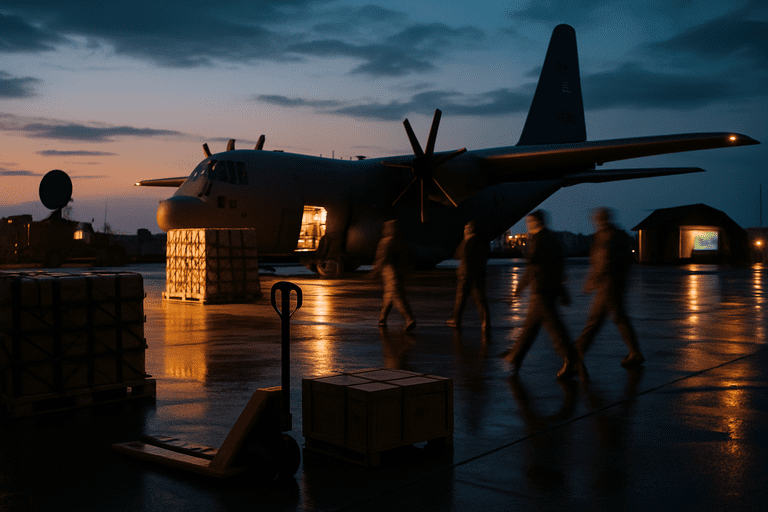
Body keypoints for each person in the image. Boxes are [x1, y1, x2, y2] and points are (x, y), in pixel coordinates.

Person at [503, 210, 581, 380]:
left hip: (541, 291)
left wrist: (518, 289)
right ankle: (515, 358)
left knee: (554, 330)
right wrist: (561, 289)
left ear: (536, 222)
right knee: (531, 328)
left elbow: (532, 267)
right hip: (549, 290)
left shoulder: (538, 239)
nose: (528, 226)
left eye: (529, 222)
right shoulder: (553, 239)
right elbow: (559, 265)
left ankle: (570, 360)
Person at [575, 207, 644, 367]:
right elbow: (625, 260)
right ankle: (635, 352)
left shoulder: (606, 236)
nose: (595, 222)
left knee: (595, 321)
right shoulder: (619, 235)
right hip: (616, 284)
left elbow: (603, 260)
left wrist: (592, 281)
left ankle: (577, 353)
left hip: (607, 285)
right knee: (618, 318)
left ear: (600, 220)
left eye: (596, 219)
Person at [371, 219, 416, 332]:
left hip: (390, 274)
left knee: (397, 298)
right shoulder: (400, 241)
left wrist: (374, 272)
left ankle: (409, 319)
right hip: (399, 273)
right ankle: (382, 319)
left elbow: (382, 258)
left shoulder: (386, 242)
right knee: (388, 298)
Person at [448, 221, 490, 331]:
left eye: (466, 228)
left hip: (466, 275)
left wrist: (464, 240)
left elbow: (458, 254)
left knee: (460, 299)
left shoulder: (467, 240)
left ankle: (455, 320)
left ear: (470, 229)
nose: (464, 230)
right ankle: (485, 322)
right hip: (479, 274)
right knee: (480, 300)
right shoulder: (484, 241)